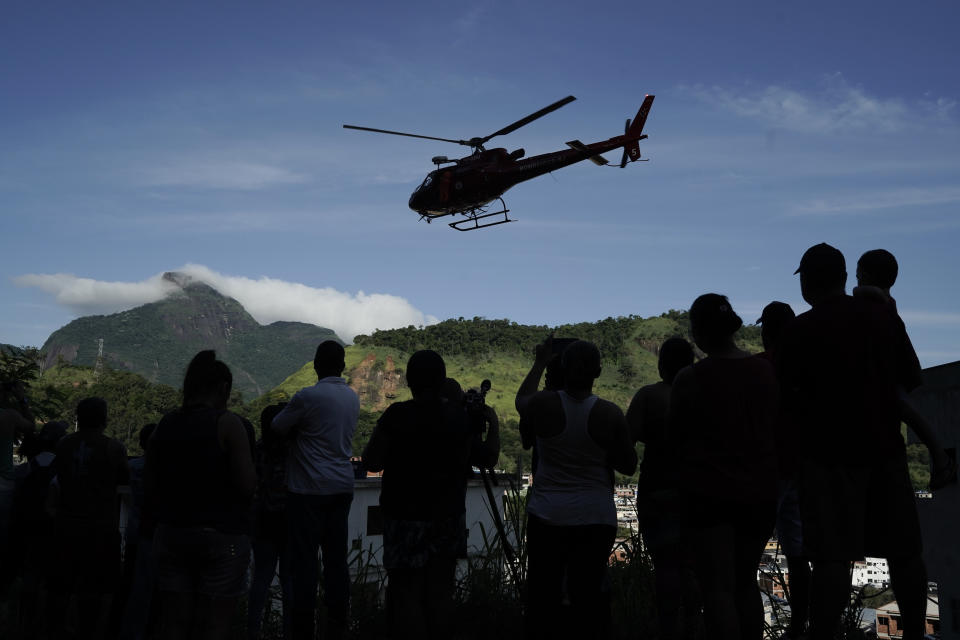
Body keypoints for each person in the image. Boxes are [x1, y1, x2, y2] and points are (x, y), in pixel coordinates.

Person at [778, 243, 928, 640]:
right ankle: (915, 633)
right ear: (845, 278)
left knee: (831, 560)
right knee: (904, 554)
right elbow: (911, 379)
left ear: (807, 282)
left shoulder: (799, 331)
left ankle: (824, 634)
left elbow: (785, 406)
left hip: (826, 460)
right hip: (885, 454)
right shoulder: (882, 318)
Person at [363, 353, 500, 640]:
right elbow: (487, 458)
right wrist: (492, 423)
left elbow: (372, 461)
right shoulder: (459, 420)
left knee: (405, 595)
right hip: (447, 518)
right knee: (440, 596)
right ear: (442, 381)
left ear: (409, 381)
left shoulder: (397, 415)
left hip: (403, 518)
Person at [669, 294, 779, 640]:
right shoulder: (763, 370)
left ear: (699, 333)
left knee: (717, 587)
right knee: (745, 580)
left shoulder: (689, 379)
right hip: (759, 494)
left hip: (709, 495)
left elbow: (677, 441)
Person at [520, 340, 637, 640]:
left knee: (544, 596)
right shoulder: (609, 414)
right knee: (589, 595)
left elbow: (522, 400)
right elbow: (628, 465)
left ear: (562, 369)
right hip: (595, 516)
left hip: (547, 514)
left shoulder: (543, 405)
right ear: (597, 371)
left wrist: (539, 362)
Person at [146, 350, 255, 640]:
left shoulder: (166, 424)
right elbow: (247, 484)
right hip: (221, 533)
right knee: (215, 626)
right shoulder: (228, 424)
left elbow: (151, 481)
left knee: (173, 623)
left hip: (172, 531)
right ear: (223, 388)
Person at [271, 340, 359, 640]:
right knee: (336, 561)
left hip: (308, 490)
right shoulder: (352, 397)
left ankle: (303, 628)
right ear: (343, 365)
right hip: (342, 486)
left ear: (316, 365)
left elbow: (276, 428)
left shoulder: (307, 396)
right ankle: (337, 624)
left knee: (305, 563)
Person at [853, 248, 954, 489]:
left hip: (881, 387)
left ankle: (941, 457)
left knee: (903, 407)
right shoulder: (890, 309)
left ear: (864, 275)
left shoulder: (872, 305)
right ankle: (940, 458)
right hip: (892, 381)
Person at [625, 337, 697, 640]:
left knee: (665, 565)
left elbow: (626, 441)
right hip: (698, 489)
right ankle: (694, 625)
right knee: (694, 566)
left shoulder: (648, 396)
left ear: (661, 364)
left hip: (657, 485)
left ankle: (667, 626)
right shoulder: (703, 395)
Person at [47, 397, 131, 639]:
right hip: (99, 527)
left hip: (65, 523)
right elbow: (124, 479)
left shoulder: (63, 444)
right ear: (104, 419)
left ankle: (54, 630)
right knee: (94, 590)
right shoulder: (113, 448)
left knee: (60, 588)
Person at [756, 301, 811, 640]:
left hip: (765, 469)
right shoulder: (810, 368)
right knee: (799, 554)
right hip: (803, 467)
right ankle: (799, 626)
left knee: (748, 549)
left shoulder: (758, 367)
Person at [10, 420, 66, 639]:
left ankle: (25, 624)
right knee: (53, 584)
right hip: (53, 531)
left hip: (28, 531)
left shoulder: (26, 469)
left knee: (30, 580)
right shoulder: (62, 470)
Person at [248, 403, 292, 640]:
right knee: (289, 580)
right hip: (288, 521)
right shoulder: (293, 451)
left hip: (263, 520)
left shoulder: (257, 450)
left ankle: (253, 630)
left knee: (261, 579)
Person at [118, 424, 159, 640]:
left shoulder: (133, 466)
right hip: (153, 535)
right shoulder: (163, 471)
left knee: (130, 583)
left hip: (133, 531)